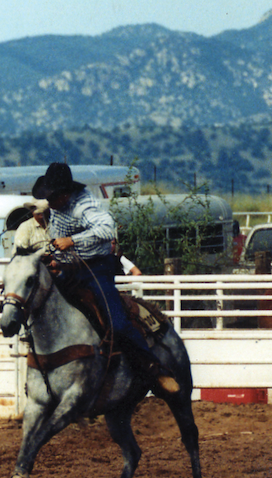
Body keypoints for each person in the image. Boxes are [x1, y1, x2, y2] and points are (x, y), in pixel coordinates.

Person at [34, 162, 178, 393]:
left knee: (117, 322)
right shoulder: (57, 210)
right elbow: (58, 240)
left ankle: (154, 368)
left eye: (52, 196)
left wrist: (72, 241)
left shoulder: (84, 205)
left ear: (65, 194)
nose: (48, 201)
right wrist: (54, 257)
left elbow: (107, 229)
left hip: (97, 266)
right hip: (69, 266)